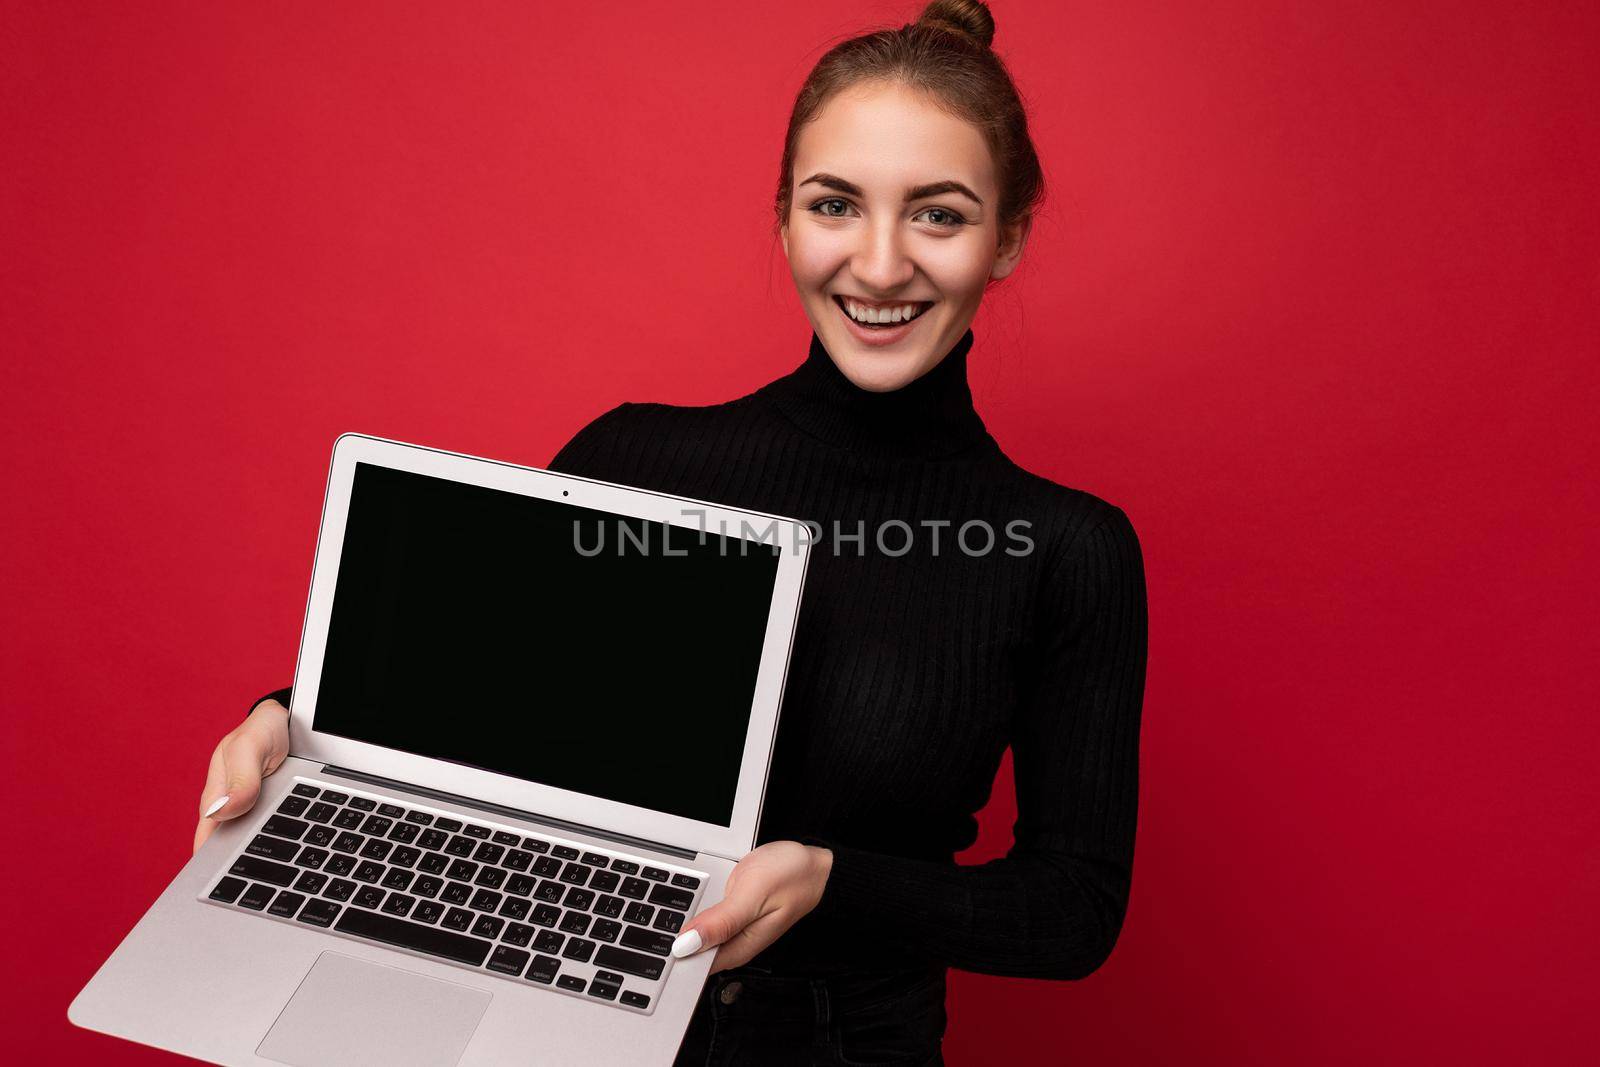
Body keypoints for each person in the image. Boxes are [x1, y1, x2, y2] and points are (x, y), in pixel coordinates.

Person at [192, 2, 1148, 1063]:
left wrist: (833, 878)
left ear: (1007, 233)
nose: (879, 268)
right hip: (562, 1016)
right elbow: (462, 714)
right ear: (784, 215)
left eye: (938, 214)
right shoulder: (636, 458)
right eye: (836, 205)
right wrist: (286, 723)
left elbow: (1072, 909)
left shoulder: (1062, 548)